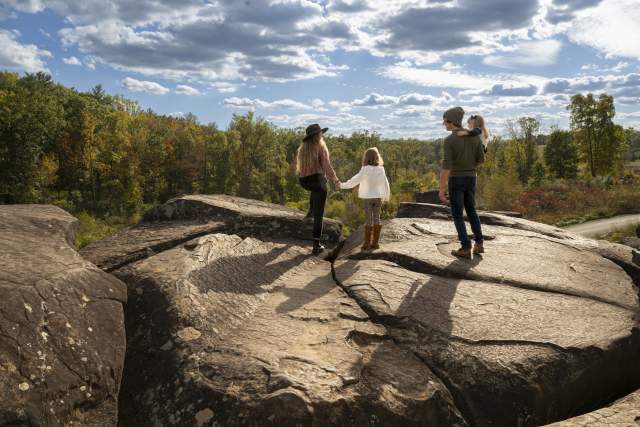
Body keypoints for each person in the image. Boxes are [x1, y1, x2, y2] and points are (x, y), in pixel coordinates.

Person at [439, 107, 485, 259]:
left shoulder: (449, 140)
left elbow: (446, 167)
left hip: (456, 180)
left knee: (458, 214)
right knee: (471, 210)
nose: (443, 124)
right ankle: (479, 243)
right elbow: (481, 160)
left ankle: (465, 247)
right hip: (471, 178)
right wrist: (468, 167)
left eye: (445, 121)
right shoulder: (475, 137)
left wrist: (441, 189)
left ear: (451, 122)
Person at [296, 123, 340, 255]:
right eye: (320, 133)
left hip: (304, 181)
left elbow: (301, 169)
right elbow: (327, 166)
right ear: (317, 135)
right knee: (319, 216)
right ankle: (316, 245)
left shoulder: (303, 148)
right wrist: (335, 180)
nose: (322, 135)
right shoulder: (321, 146)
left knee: (316, 189)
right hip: (317, 181)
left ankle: (310, 210)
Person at [340, 147, 391, 250]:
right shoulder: (381, 169)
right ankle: (375, 244)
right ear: (377, 157)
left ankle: (367, 244)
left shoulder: (365, 169)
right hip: (378, 197)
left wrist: (342, 185)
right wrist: (385, 195)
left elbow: (355, 180)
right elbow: (385, 183)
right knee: (377, 218)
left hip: (368, 198)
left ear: (366, 157)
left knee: (369, 219)